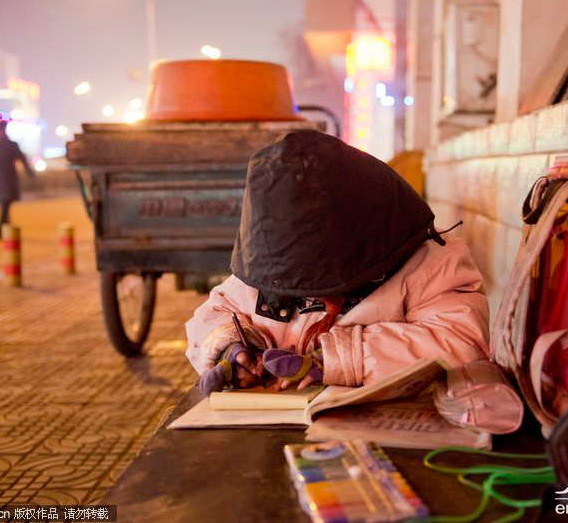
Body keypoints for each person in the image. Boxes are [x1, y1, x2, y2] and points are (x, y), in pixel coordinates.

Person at [185, 130, 523, 434]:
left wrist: (338, 361)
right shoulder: (261, 267)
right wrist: (229, 346)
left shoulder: (429, 264)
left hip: (383, 434)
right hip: (269, 434)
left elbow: (460, 341)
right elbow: (218, 310)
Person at [0, 119, 35, 239]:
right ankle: (2, 229)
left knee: (4, 204)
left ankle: (5, 227)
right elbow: (23, 159)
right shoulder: (11, 144)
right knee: (5, 204)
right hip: (8, 179)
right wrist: (30, 173)